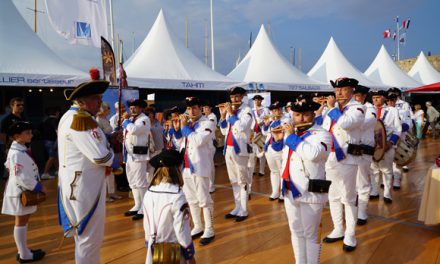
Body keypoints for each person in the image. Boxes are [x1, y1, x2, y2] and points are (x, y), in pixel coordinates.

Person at [58, 80, 117, 263]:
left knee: (86, 238)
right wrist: (114, 154)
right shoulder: (80, 120)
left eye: (100, 98)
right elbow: (101, 157)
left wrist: (109, 139)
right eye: (95, 99)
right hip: (84, 186)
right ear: (82, 102)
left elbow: (92, 145)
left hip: (81, 184)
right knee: (89, 239)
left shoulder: (75, 116)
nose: (100, 102)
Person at [281, 97, 331, 264]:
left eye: (305, 115)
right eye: (297, 115)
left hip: (310, 192)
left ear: (313, 115)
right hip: (290, 189)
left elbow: (313, 154)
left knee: (311, 234)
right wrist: (276, 140)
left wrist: (290, 137)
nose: (300, 119)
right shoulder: (291, 134)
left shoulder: (322, 134)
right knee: (296, 231)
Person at [321, 77, 365, 252]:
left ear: (352, 90)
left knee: (348, 197)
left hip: (347, 158)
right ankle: (338, 228)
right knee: (333, 196)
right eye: (336, 90)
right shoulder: (332, 110)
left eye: (343, 89)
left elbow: (345, 124)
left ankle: (350, 234)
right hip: (330, 157)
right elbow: (325, 130)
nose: (338, 93)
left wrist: (331, 108)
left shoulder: (358, 108)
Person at [171, 97, 216, 245]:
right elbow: (180, 145)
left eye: (194, 108)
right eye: (189, 109)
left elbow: (197, 141)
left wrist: (184, 128)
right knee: (192, 199)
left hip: (200, 167)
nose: (191, 111)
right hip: (187, 167)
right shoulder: (189, 124)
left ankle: (209, 229)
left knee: (204, 199)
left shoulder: (207, 123)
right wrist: (177, 132)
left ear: (201, 108)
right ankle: (198, 226)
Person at [2, 121, 46, 263]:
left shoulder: (19, 150)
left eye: (30, 132)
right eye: (27, 133)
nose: (31, 135)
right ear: (16, 136)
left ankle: (23, 250)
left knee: (23, 222)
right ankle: (24, 255)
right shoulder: (16, 153)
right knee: (20, 222)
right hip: (19, 193)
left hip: (20, 191)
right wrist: (39, 187)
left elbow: (9, 167)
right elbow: (20, 176)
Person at [142, 149, 196, 264]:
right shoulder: (177, 196)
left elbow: (146, 225)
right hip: (173, 253)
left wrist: (149, 245)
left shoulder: (149, 193)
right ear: (176, 169)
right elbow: (182, 230)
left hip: (153, 251)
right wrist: (189, 255)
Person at [219, 87, 253, 222]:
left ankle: (244, 210)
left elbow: (240, 127)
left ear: (242, 97)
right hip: (228, 149)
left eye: (237, 97)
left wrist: (230, 113)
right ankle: (237, 207)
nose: (234, 99)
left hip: (240, 150)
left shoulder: (247, 111)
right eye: (232, 97)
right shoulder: (229, 111)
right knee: (233, 181)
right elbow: (223, 132)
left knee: (242, 180)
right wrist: (222, 116)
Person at [370, 90, 401, 204]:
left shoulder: (392, 110)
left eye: (378, 97)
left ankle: (387, 193)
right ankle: (374, 191)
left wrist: (391, 143)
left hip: (387, 144)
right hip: (372, 145)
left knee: (387, 170)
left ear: (384, 98)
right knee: (373, 170)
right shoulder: (368, 110)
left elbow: (398, 129)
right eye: (373, 98)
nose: (375, 100)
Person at [122, 99, 151, 221]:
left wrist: (125, 121)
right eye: (131, 107)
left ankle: (144, 208)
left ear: (141, 109)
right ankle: (137, 205)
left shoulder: (144, 119)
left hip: (139, 155)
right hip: (129, 155)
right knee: (132, 181)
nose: (132, 109)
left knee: (140, 182)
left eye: (135, 107)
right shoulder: (132, 120)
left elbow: (134, 130)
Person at [352, 85, 376, 225]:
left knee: (362, 182)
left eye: (358, 96)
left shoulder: (370, 109)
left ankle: (362, 212)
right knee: (351, 182)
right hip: (350, 149)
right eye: (354, 95)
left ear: (364, 96)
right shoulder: (351, 108)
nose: (355, 98)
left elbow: (362, 125)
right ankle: (354, 209)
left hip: (363, 149)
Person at [262, 101, 289, 202]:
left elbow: (281, 128)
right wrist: (266, 124)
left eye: (278, 109)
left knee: (282, 171)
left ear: (281, 110)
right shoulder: (272, 120)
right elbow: (265, 133)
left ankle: (283, 192)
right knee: (273, 171)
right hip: (269, 148)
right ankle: (275, 192)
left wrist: (274, 119)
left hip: (280, 148)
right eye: (274, 110)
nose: (276, 112)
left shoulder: (285, 119)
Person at [96, 102, 123, 202]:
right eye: (108, 108)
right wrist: (112, 135)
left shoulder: (105, 119)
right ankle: (105, 195)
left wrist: (115, 133)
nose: (109, 109)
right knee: (105, 173)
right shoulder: (98, 120)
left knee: (110, 173)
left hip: (109, 147)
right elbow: (101, 135)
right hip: (104, 148)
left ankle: (112, 192)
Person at [386, 93, 412, 189]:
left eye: (392, 99)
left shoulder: (404, 108)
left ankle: (397, 180)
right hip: (387, 138)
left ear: (396, 99)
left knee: (397, 160)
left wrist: (407, 126)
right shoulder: (384, 110)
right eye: (388, 99)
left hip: (400, 136)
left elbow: (409, 120)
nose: (390, 102)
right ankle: (387, 181)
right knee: (387, 161)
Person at [250, 95, 269, 177]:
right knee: (253, 152)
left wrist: (263, 123)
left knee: (261, 151)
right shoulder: (251, 110)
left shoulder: (265, 109)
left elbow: (268, 119)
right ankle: (253, 170)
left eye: (259, 100)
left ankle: (261, 170)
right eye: (255, 100)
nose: (257, 101)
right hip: (253, 132)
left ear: (261, 101)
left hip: (262, 133)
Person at [40, 107, 60, 180]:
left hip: (46, 141)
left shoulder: (45, 120)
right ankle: (45, 173)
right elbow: (57, 131)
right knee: (52, 157)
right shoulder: (55, 120)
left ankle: (58, 171)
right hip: (52, 141)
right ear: (56, 113)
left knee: (54, 157)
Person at [201, 101, 218, 193]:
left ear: (210, 108)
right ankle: (207, 184)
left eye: (207, 108)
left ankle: (211, 185)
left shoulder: (212, 117)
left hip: (211, 144)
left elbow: (207, 126)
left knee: (210, 165)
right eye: (203, 108)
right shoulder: (204, 117)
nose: (205, 109)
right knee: (205, 164)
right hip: (204, 143)